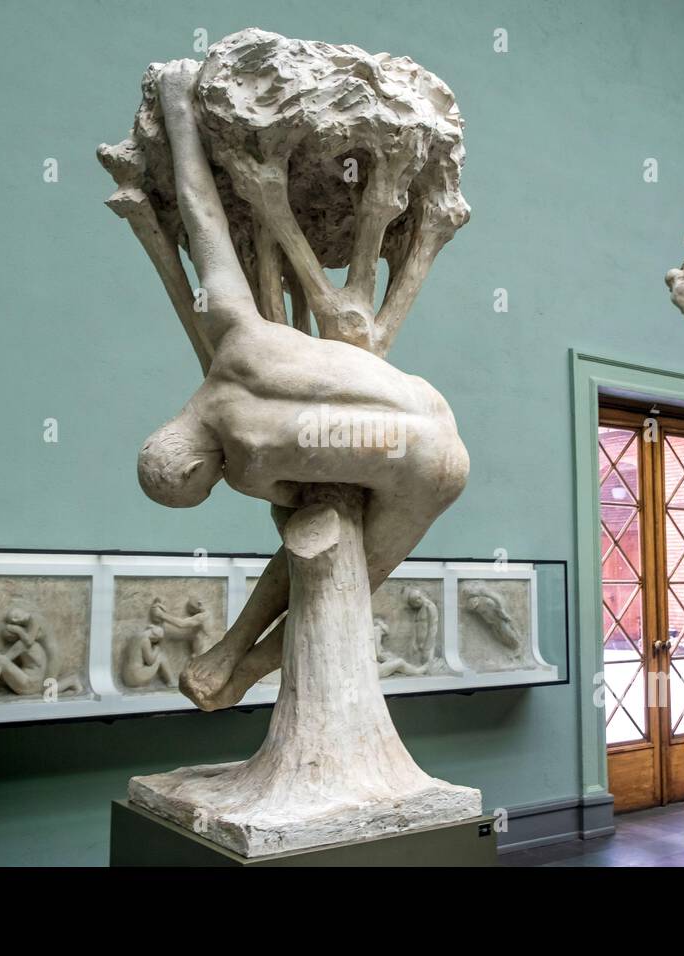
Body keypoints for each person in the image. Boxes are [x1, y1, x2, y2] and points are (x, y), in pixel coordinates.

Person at [142, 60, 470, 711]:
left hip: (429, 470)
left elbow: (287, 496)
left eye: (200, 488)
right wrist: (181, 110)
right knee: (333, 573)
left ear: (202, 467)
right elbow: (204, 218)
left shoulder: (248, 458)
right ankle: (230, 659)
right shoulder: (234, 338)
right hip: (426, 405)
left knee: (339, 584)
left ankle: (233, 666)